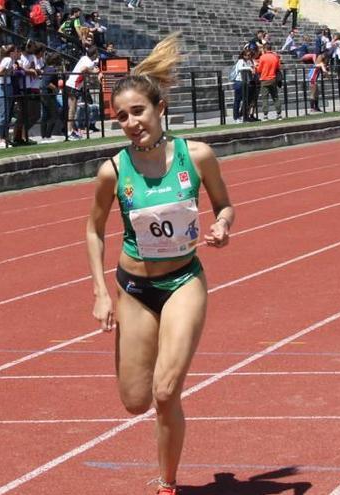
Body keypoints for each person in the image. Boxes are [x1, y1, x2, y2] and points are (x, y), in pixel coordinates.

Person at [85, 34, 235, 495]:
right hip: (133, 288)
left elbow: (225, 205)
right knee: (134, 401)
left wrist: (223, 227)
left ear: (160, 108)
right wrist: (99, 292)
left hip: (184, 281)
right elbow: (93, 230)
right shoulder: (113, 170)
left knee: (166, 392)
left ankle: (167, 484)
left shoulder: (198, 156)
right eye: (121, 117)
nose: (131, 123)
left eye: (138, 112)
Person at [64, 45, 99, 140]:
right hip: (73, 85)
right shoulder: (89, 62)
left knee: (73, 109)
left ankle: (71, 130)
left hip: (72, 85)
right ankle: (69, 132)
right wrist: (93, 71)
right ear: (94, 53)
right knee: (72, 109)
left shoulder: (84, 58)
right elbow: (83, 69)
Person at [38, 52, 62, 143]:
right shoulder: (52, 70)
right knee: (54, 115)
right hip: (48, 95)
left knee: (45, 115)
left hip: (43, 94)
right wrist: (56, 89)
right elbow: (47, 83)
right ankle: (47, 136)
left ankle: (43, 136)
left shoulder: (46, 68)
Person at [255, 42, 281, 120]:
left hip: (264, 79)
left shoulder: (263, 57)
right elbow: (278, 68)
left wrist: (256, 67)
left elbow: (259, 70)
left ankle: (265, 115)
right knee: (275, 97)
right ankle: (279, 114)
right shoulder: (275, 57)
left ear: (265, 49)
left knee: (265, 98)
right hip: (273, 79)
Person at [230, 48, 254, 123]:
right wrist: (249, 68)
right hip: (239, 82)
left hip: (245, 82)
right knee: (237, 100)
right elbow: (240, 68)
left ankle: (244, 116)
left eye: (250, 55)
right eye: (247, 55)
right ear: (243, 55)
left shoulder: (248, 61)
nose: (249, 56)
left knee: (246, 100)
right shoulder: (241, 61)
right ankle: (236, 117)